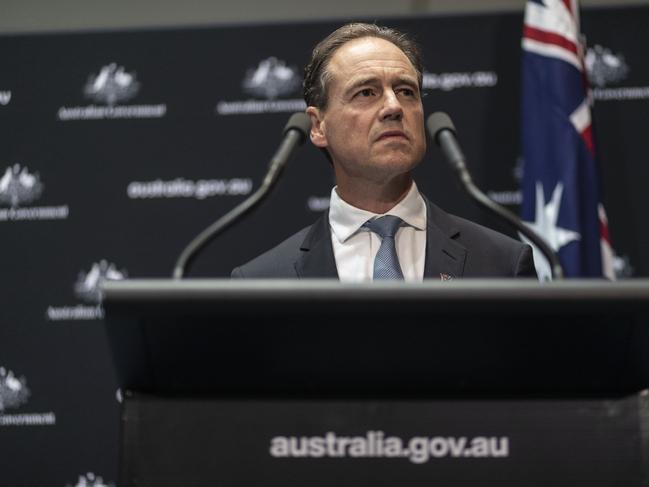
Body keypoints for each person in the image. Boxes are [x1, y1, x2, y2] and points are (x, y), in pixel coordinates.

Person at [232, 23, 536, 280]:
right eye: (366, 92)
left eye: (406, 91)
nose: (393, 107)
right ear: (318, 126)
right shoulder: (264, 279)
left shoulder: (503, 263)